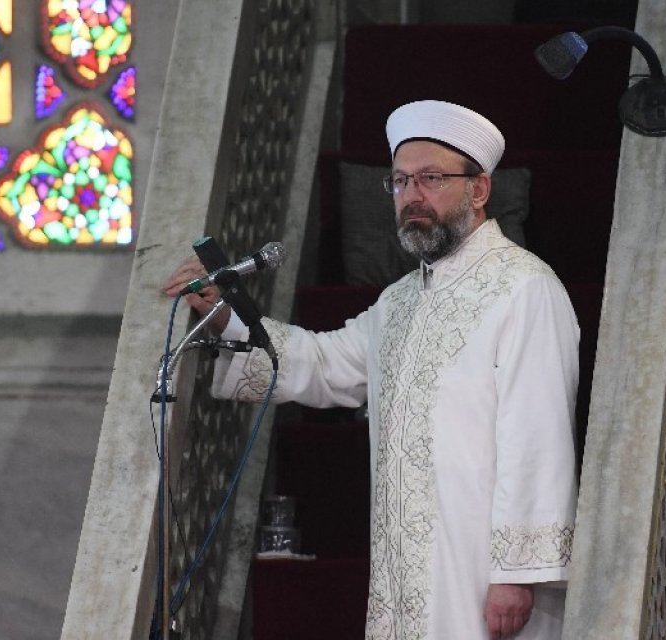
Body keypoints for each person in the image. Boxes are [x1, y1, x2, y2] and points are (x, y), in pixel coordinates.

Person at [163, 100, 579, 639]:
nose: (412, 197)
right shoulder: (400, 300)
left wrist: (519, 575)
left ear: (479, 190)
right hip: (405, 560)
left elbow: (538, 435)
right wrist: (225, 317)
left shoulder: (526, 287)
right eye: (401, 182)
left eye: (431, 179)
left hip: (484, 568)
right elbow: (324, 363)